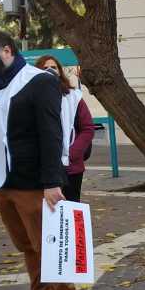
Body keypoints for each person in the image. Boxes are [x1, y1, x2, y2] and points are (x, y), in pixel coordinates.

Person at [0, 30, 78, 290]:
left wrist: (52, 181)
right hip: (3, 182)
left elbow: (52, 134)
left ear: (8, 51)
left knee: (49, 246)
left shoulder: (39, 81)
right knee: (26, 246)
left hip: (34, 183)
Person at [35, 56, 94, 203]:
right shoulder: (30, 98)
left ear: (60, 71)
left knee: (71, 210)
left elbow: (87, 128)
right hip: (40, 168)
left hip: (71, 167)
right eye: (44, 68)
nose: (49, 70)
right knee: (45, 214)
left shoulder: (74, 97)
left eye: (53, 67)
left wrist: (72, 153)